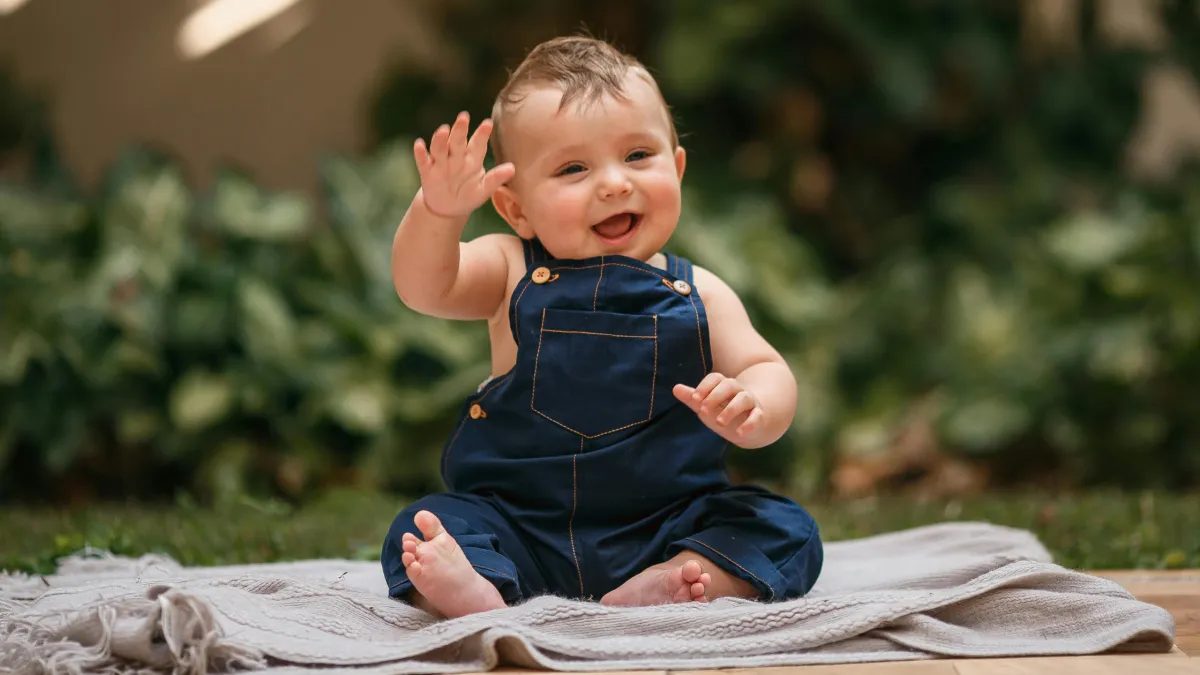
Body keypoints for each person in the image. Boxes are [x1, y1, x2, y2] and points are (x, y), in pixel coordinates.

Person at [381, 35, 823, 619]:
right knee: (423, 529)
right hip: (519, 523)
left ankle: (677, 580)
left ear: (678, 167)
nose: (614, 183)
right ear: (517, 209)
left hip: (668, 522)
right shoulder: (509, 267)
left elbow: (766, 369)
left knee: (788, 529)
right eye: (573, 168)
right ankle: (481, 590)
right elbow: (424, 286)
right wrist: (439, 213)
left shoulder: (700, 293)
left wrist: (754, 407)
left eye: (639, 155)